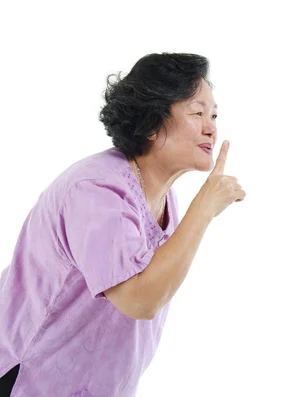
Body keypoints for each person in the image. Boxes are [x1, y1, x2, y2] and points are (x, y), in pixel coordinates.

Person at [0, 53, 245, 397]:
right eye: (197, 112)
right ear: (150, 121)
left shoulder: (163, 198)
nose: (211, 126)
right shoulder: (96, 191)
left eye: (214, 114)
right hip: (25, 379)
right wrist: (203, 208)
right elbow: (140, 300)